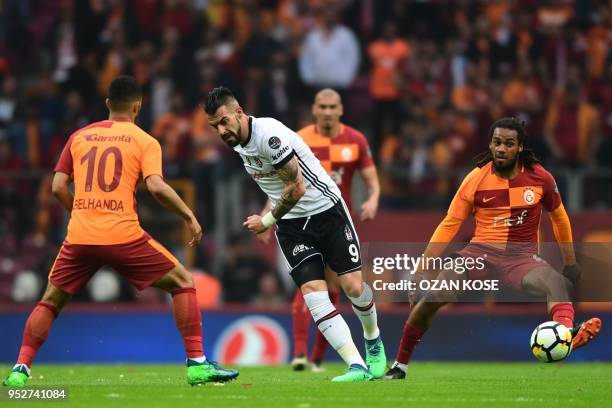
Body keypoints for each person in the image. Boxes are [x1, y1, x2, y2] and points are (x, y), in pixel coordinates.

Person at [2, 76, 238, 387]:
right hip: (123, 235)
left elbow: (58, 186)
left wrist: (79, 211)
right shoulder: (144, 140)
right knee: (183, 282)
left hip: (80, 237)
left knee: (49, 301)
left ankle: (20, 368)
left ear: (108, 104)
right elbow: (155, 185)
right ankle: (197, 363)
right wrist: (188, 215)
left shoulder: (78, 136)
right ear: (138, 106)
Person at [383, 117, 602, 380]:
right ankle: (400, 365)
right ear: (490, 144)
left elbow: (560, 217)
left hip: (521, 258)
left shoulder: (540, 178)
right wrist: (420, 270)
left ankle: (565, 337)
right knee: (435, 294)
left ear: (519, 147)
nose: (501, 148)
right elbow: (450, 224)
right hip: (479, 254)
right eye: (497, 142)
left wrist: (569, 262)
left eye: (509, 143)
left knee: (557, 283)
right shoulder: (475, 179)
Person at [204, 86, 386, 382]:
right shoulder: (237, 143)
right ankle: (357, 365)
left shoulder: (269, 135)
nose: (221, 130)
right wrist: (273, 217)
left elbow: (297, 187)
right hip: (291, 226)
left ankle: (373, 339)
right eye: (215, 126)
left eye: (224, 121)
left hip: (327, 211)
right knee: (315, 295)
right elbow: (274, 186)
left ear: (239, 112)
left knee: (353, 287)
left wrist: (266, 220)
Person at [287, 88, 380, 372]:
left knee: (339, 287)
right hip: (303, 221)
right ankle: (301, 353)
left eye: (332, 106)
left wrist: (373, 199)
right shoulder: (299, 138)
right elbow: (284, 179)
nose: (327, 112)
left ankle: (317, 356)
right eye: (322, 106)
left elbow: (372, 179)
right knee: (310, 285)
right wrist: (269, 213)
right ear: (314, 109)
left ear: (340, 109)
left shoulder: (356, 140)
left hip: (338, 221)